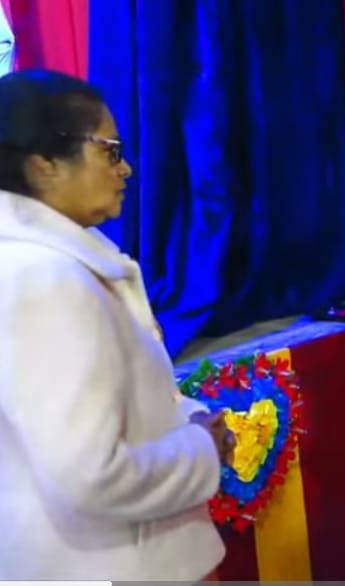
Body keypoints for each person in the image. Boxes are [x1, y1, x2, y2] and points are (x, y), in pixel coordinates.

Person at [0, 70, 231, 580]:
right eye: (110, 151)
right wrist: (200, 450)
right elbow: (88, 475)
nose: (126, 168)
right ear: (43, 165)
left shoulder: (61, 260)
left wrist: (189, 419)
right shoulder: (41, 278)